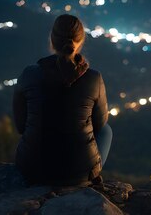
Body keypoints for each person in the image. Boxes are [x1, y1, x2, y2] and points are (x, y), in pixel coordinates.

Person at [13, 14, 112, 186]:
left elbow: (21, 126)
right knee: (106, 130)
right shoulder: (94, 78)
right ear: (80, 42)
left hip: (32, 169)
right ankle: (92, 174)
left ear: (51, 40)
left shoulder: (29, 74)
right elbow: (99, 124)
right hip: (79, 174)